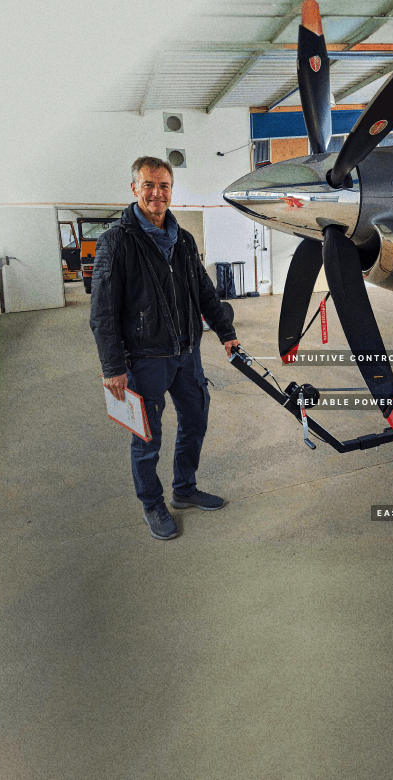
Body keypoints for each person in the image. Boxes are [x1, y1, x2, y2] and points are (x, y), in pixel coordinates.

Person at [90, 156, 240, 540]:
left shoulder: (184, 240)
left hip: (186, 353)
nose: (157, 193)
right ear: (135, 189)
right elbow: (103, 312)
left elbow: (204, 293)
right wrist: (112, 367)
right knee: (146, 438)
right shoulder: (115, 243)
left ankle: (184, 489)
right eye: (149, 185)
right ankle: (152, 504)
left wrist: (226, 333)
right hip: (144, 360)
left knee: (195, 420)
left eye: (164, 186)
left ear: (171, 190)